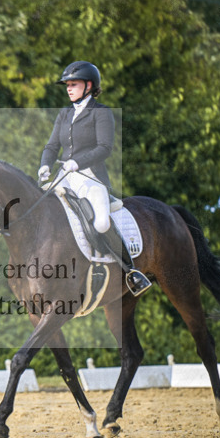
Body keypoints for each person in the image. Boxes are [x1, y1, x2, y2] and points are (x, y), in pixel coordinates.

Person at [38, 60, 152, 296]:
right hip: (64, 178)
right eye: (67, 85)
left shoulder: (101, 113)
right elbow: (51, 146)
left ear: (89, 86)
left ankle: (131, 271)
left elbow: (104, 148)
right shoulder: (64, 113)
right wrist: (44, 166)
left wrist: (77, 162)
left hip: (90, 178)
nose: (69, 89)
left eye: (74, 84)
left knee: (101, 222)